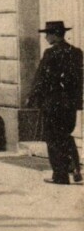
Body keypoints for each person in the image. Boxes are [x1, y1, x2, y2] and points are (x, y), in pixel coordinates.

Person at [27, 21, 83, 185]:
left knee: (52, 139)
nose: (45, 37)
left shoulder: (50, 53)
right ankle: (74, 167)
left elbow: (40, 79)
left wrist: (32, 97)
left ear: (54, 34)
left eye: (47, 34)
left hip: (53, 104)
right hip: (70, 104)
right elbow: (79, 81)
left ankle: (60, 175)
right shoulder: (77, 52)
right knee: (66, 135)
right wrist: (77, 103)